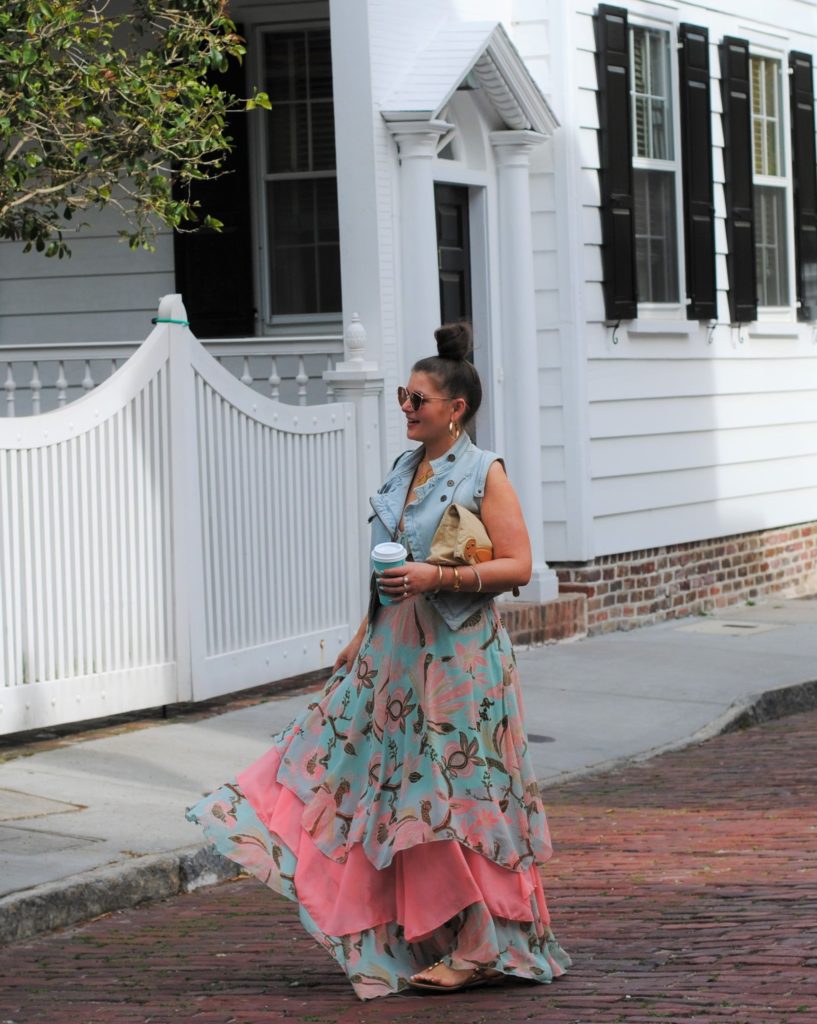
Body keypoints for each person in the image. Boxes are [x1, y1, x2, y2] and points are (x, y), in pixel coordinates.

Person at [186, 323, 571, 999]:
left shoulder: (485, 471)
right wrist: (363, 629)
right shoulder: (402, 469)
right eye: (402, 395)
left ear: (454, 408)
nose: (405, 408)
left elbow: (517, 564)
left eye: (417, 399)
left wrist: (435, 579)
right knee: (373, 782)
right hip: (392, 653)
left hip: (457, 662)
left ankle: (481, 942)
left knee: (453, 796)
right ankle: (427, 933)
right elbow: (387, 563)